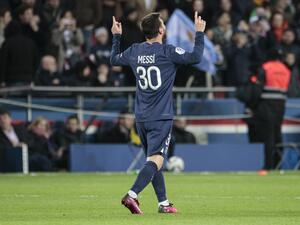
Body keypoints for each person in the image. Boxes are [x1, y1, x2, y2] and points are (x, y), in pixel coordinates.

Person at [110, 12, 205, 213]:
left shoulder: (135, 50)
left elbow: (114, 60)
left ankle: (163, 203)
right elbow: (196, 57)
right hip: (160, 117)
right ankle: (132, 195)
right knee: (157, 160)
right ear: (161, 30)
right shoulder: (167, 52)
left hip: (141, 117)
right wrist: (199, 33)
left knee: (153, 161)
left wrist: (117, 36)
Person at [247, 49, 291, 170]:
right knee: (278, 136)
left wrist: (252, 106)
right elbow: (289, 89)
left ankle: (268, 166)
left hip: (266, 106)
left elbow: (257, 88)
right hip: (280, 106)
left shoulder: (266, 67)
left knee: (269, 138)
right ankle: (278, 164)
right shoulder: (285, 70)